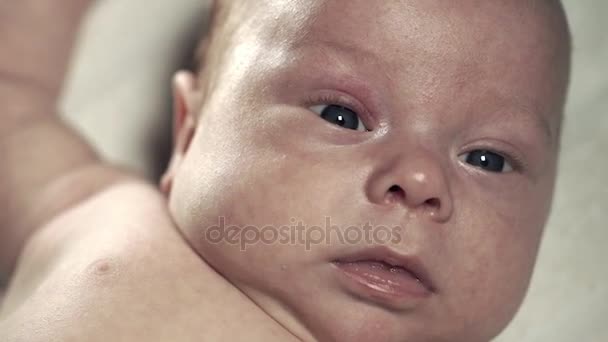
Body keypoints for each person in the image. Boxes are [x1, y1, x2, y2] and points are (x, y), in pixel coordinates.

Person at [0, 0, 571, 341]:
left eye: (488, 159)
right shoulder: (101, 220)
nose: (420, 181)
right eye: (342, 115)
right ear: (189, 132)